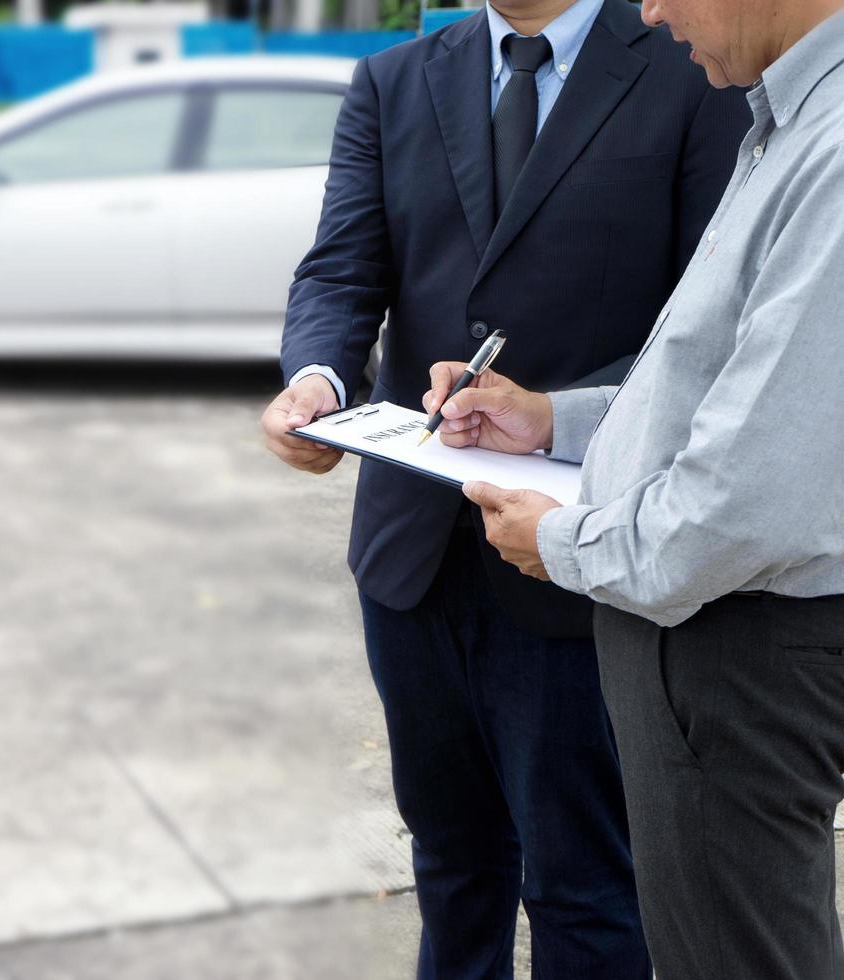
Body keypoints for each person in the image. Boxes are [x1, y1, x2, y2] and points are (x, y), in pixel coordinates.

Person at [261, 0, 751, 975]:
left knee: (588, 884)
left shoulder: (690, 70)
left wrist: (559, 410)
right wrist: (317, 378)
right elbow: (342, 271)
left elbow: (715, 321)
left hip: (581, 553)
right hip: (412, 561)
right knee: (451, 865)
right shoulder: (392, 80)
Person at [429, 0, 844, 972]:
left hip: (730, 639)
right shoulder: (790, 118)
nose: (649, 10)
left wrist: (563, 543)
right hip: (718, 633)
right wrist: (554, 419)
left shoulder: (832, 147)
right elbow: (723, 382)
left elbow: (746, 501)